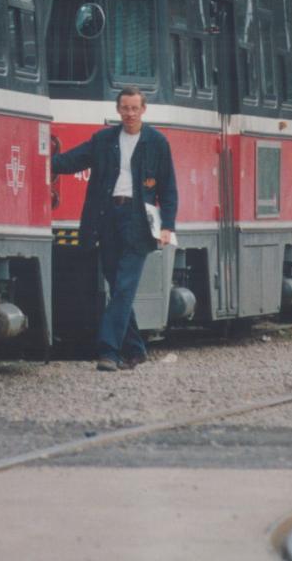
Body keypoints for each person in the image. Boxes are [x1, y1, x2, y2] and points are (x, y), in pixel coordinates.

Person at [50, 85, 178, 372]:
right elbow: (72, 160)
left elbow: (168, 188)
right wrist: (41, 161)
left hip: (139, 222)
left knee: (123, 287)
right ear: (118, 109)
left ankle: (109, 351)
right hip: (106, 218)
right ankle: (135, 349)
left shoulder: (157, 142)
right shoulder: (104, 139)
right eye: (125, 108)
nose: (130, 113)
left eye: (135, 108)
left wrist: (168, 226)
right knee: (116, 286)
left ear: (144, 110)